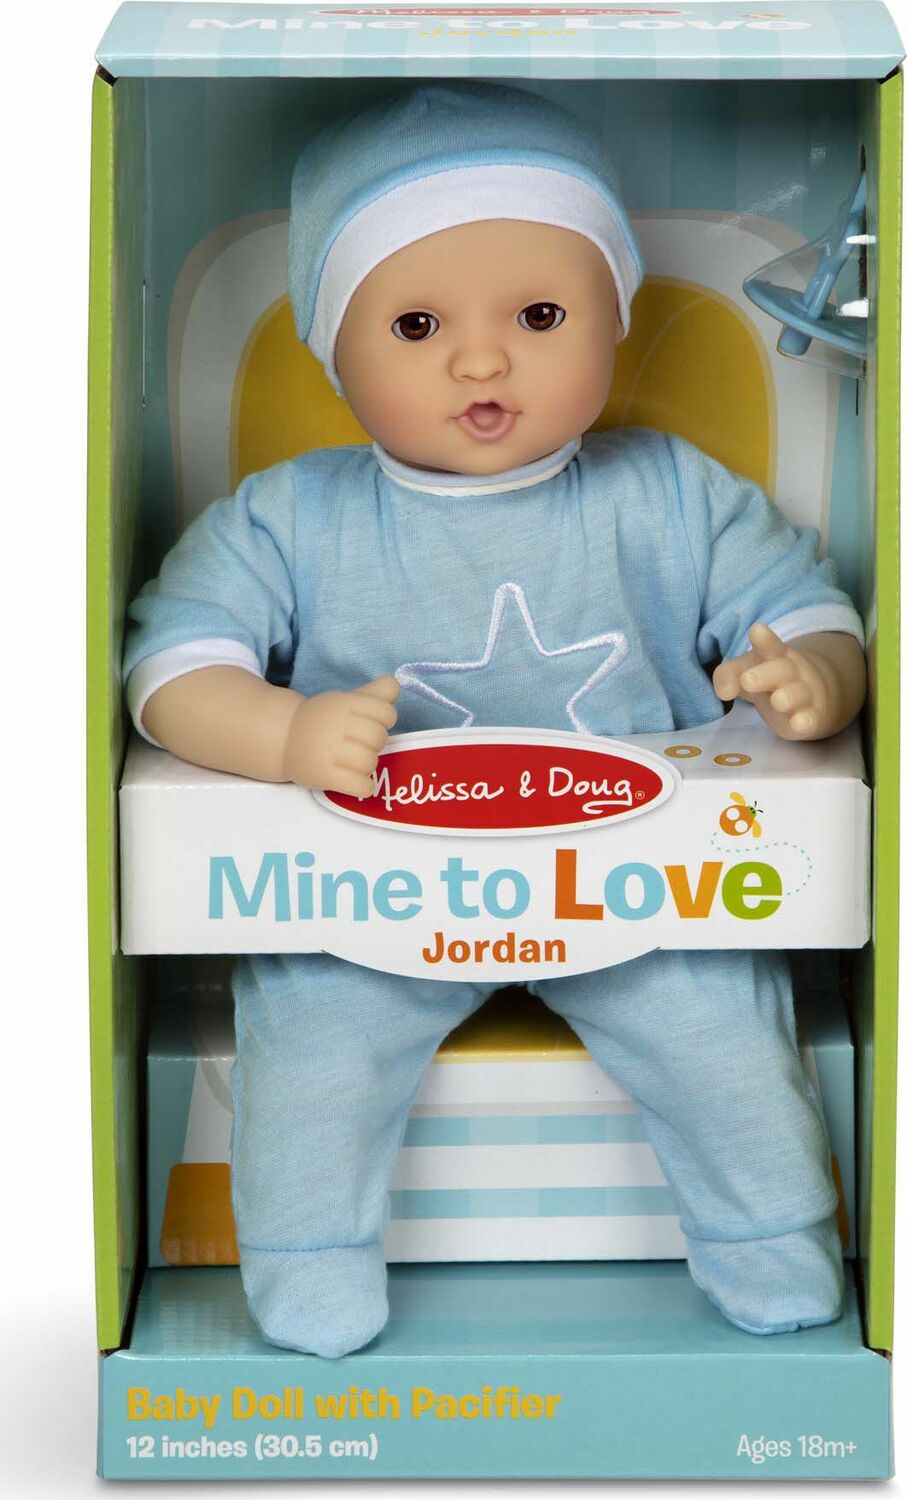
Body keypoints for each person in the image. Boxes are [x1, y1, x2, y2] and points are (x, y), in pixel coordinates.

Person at [124, 83, 866, 1357]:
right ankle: (307, 1256)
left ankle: (770, 1233)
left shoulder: (669, 495)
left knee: (717, 1029)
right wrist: (283, 736)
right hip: (370, 883)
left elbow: (804, 608)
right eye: (415, 324)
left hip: (633, 878)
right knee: (313, 1041)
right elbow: (172, 665)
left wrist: (813, 676)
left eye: (539, 315)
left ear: (614, 319)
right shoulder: (291, 517)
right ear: (331, 348)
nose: (481, 361)